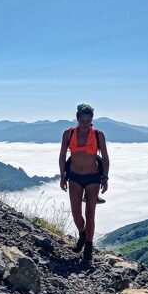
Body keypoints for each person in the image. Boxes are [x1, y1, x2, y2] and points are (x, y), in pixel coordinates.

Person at [59, 103, 109, 265]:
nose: (85, 123)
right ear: (77, 119)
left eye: (88, 120)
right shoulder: (69, 133)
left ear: (92, 119)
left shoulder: (98, 135)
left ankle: (88, 247)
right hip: (74, 176)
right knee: (75, 213)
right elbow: (61, 156)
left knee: (90, 214)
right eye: (82, 120)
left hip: (93, 178)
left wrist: (105, 178)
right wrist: (62, 176)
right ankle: (82, 234)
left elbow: (106, 158)